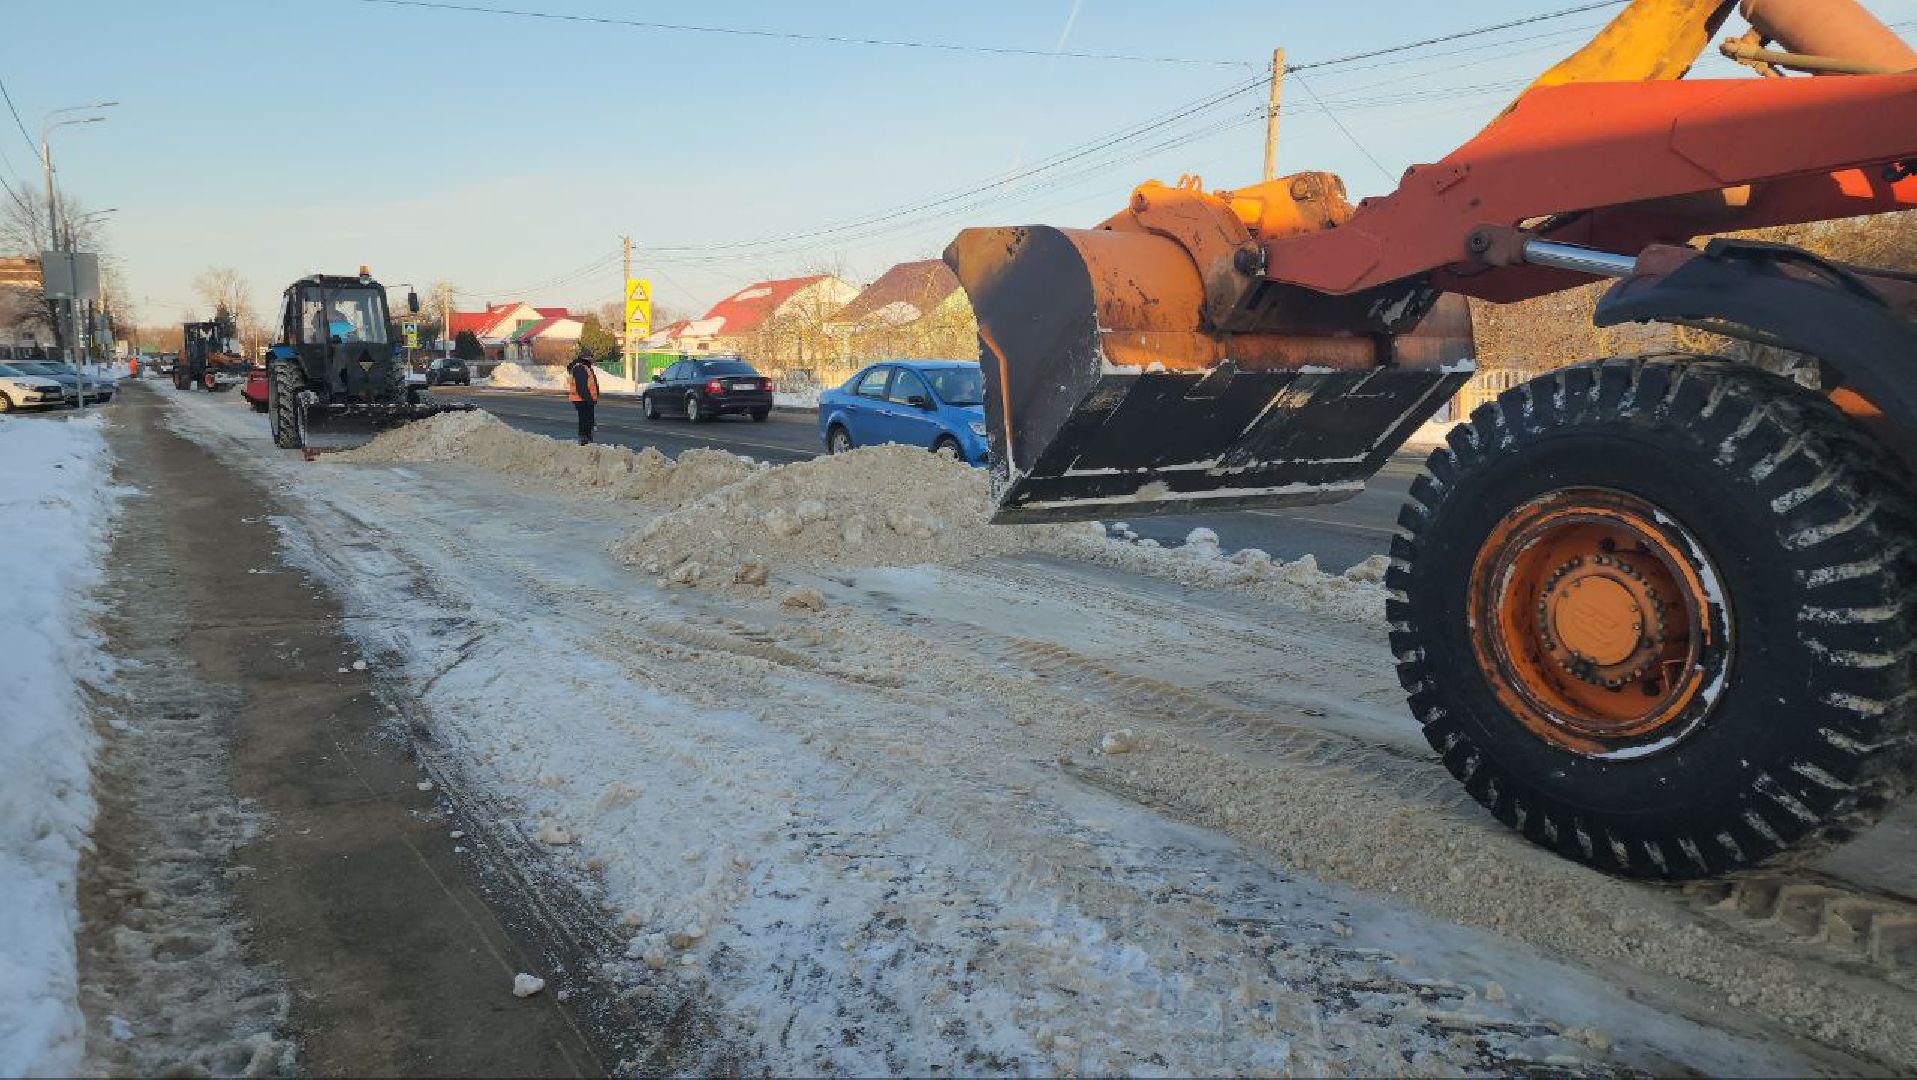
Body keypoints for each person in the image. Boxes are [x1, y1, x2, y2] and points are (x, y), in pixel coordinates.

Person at [567, 345, 600, 445]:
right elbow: (582, 387)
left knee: (587, 419)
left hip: (584, 399)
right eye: (590, 357)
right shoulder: (580, 367)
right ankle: (585, 440)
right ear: (586, 357)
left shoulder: (584, 367)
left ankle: (586, 438)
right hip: (582, 400)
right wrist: (589, 400)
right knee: (585, 420)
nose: (592, 359)